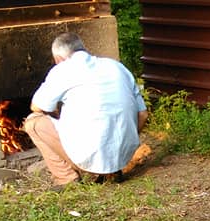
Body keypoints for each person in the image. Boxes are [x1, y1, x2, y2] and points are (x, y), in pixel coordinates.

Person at [23, 32, 149, 191]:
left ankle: (67, 178)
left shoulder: (62, 70)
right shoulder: (116, 66)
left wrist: (56, 113)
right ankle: (111, 170)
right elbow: (143, 114)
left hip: (88, 156)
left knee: (33, 122)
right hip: (123, 157)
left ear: (59, 59)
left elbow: (36, 107)